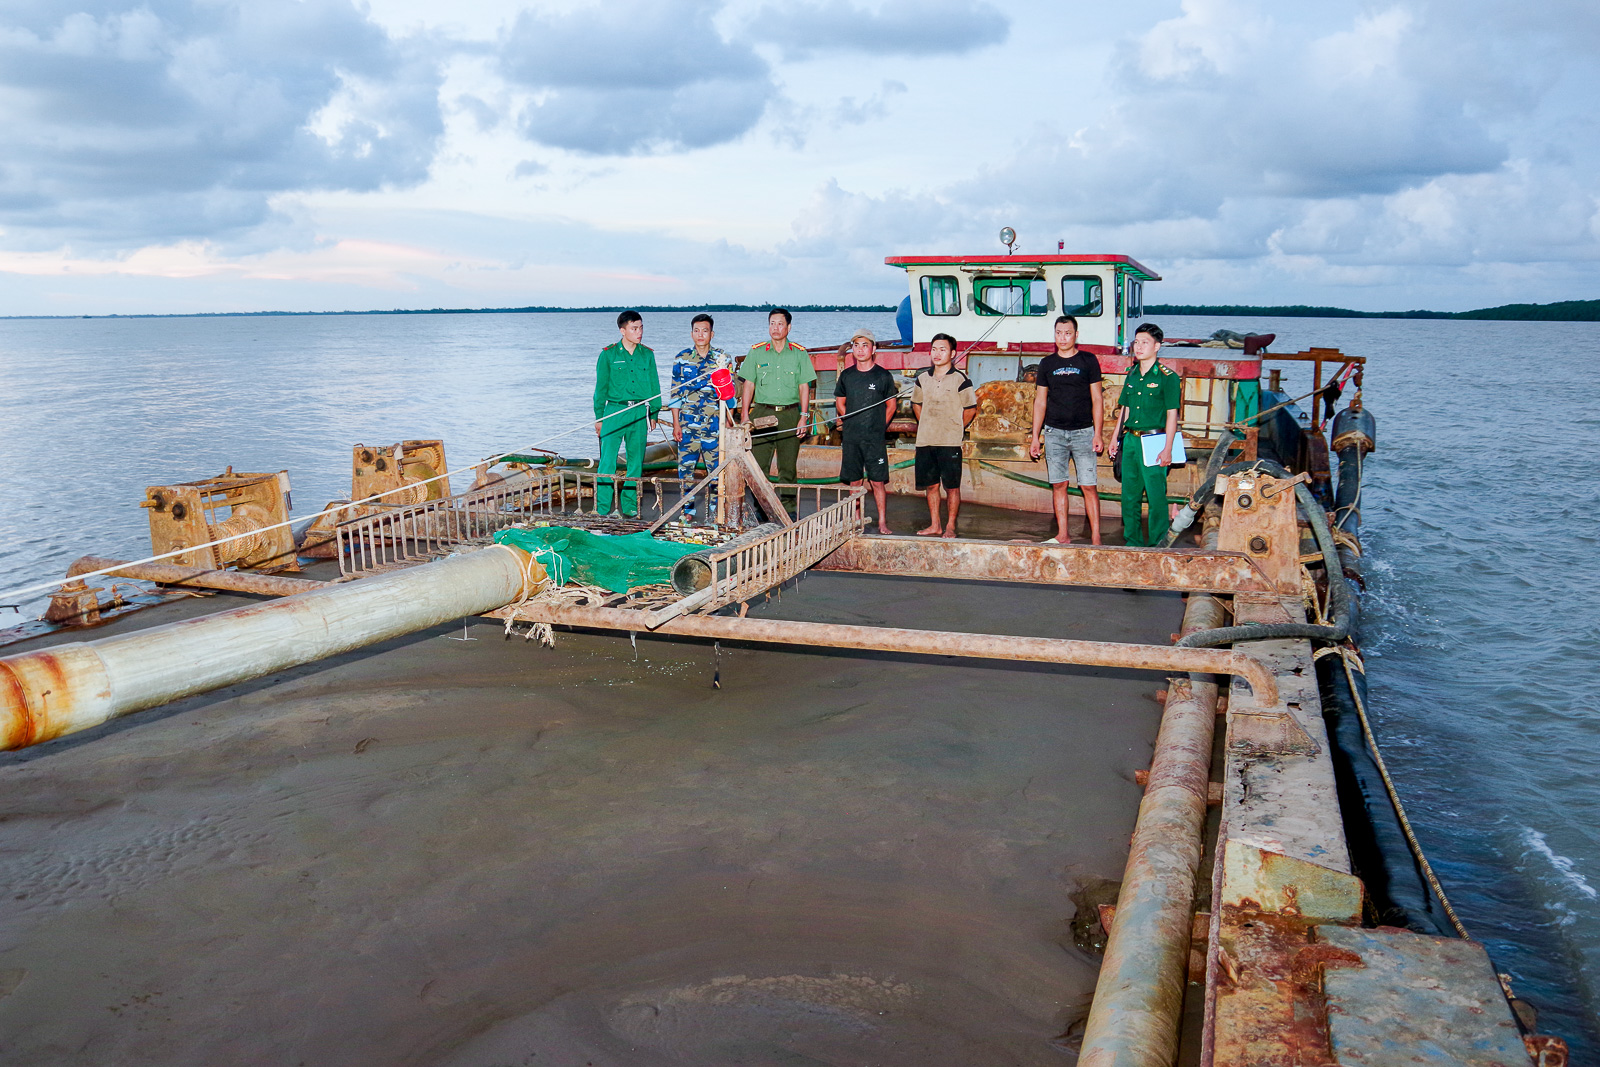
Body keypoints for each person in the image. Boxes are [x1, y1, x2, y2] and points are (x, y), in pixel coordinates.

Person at [1027, 315, 1105, 544]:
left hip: (1084, 432)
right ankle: (1063, 533)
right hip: (1054, 433)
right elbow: (1040, 402)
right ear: (1054, 335)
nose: (1063, 337)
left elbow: (1097, 398)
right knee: (1059, 484)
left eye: (1067, 333)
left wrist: (1098, 433)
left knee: (1088, 485)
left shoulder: (1088, 361)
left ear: (1076, 335)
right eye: (1058, 333)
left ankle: (1097, 537)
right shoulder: (1047, 364)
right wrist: (1035, 437)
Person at [737, 308, 815, 514]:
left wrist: (803, 417)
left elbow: (804, 387)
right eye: (772, 323)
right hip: (762, 413)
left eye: (780, 324)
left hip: (790, 414)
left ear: (788, 327)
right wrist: (745, 416)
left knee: (788, 469)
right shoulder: (756, 352)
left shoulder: (799, 353)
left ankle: (788, 512)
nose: (775, 328)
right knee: (758, 466)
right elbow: (749, 385)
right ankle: (760, 510)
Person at [1112, 322, 1181, 547]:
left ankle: (1158, 545)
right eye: (1137, 342)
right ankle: (1132, 543)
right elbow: (1125, 409)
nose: (1139, 347)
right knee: (1129, 496)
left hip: (1154, 441)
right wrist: (1115, 438)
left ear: (1157, 346)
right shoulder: (1132, 373)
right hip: (1131, 440)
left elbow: (1172, 415)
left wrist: (1168, 448)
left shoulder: (1167, 377)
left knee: (1156, 498)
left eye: (1145, 342)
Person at [592, 310, 662, 517]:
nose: (639, 332)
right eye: (634, 328)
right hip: (614, 411)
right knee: (607, 462)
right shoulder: (608, 354)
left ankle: (630, 506)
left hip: (639, 412)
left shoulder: (647, 354)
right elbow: (600, 388)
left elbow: (654, 386)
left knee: (635, 462)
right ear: (623, 330)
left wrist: (654, 413)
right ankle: (603, 508)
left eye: (641, 327)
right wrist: (599, 417)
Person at [833, 327, 898, 534]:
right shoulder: (847, 376)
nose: (860, 350)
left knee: (877, 481)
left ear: (874, 348)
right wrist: (851, 421)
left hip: (874, 439)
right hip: (852, 438)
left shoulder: (883, 376)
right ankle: (857, 520)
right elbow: (840, 403)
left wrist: (879, 426)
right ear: (852, 349)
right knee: (855, 481)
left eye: (865, 345)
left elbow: (892, 406)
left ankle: (882, 522)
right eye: (856, 345)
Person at [911, 332, 977, 537]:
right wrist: (927, 424)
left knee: (952, 487)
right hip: (926, 440)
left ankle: (950, 526)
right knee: (931, 486)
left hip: (949, 441)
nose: (937, 353)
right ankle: (935, 525)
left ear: (953, 353)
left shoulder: (961, 379)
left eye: (943, 349)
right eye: (934, 349)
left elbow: (971, 409)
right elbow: (916, 404)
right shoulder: (922, 378)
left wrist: (956, 427)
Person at [670, 313, 729, 521]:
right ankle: (687, 511)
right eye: (696, 330)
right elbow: (675, 393)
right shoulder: (682, 358)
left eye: (705, 330)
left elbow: (729, 397)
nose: (700, 334)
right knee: (686, 472)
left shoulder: (722, 358)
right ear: (691, 333)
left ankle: (715, 511)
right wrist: (676, 424)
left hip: (714, 426)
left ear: (712, 333)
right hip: (688, 426)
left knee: (716, 473)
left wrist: (729, 423)